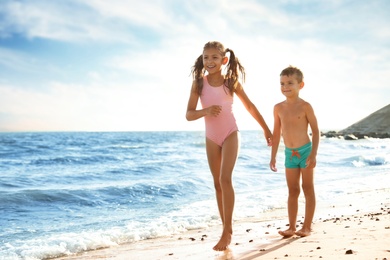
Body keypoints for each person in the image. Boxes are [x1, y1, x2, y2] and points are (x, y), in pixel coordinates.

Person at [186, 41, 272, 251]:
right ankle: (224, 227)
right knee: (217, 183)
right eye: (206, 57)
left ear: (224, 60)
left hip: (231, 133)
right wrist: (205, 111)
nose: (210, 61)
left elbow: (250, 106)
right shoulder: (199, 83)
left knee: (225, 178)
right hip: (211, 137)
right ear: (202, 59)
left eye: (215, 57)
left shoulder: (231, 82)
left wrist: (266, 129)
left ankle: (228, 231)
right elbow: (189, 114)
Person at [269, 65, 319, 237]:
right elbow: (276, 134)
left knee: (307, 187)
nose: (285, 87)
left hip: (305, 151)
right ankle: (291, 227)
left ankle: (306, 227)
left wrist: (313, 154)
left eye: (290, 83)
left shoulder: (305, 106)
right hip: (289, 154)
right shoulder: (278, 108)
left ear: (300, 85)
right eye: (282, 83)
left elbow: (316, 131)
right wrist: (273, 156)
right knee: (292, 190)